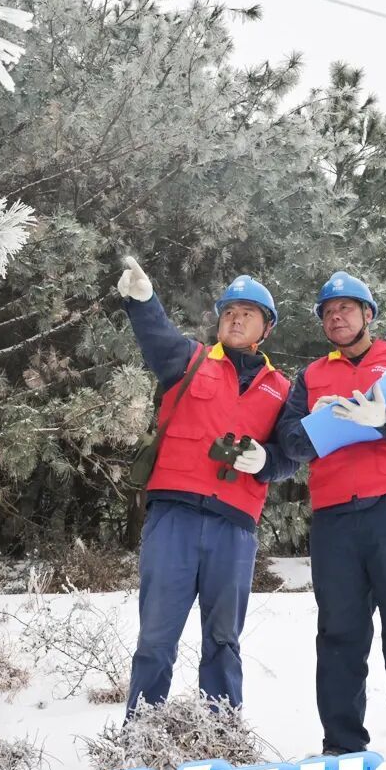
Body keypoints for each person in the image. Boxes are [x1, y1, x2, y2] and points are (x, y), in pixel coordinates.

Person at [272, 270, 386, 758]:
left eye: (346, 308)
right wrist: (317, 421)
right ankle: (342, 747)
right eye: (328, 312)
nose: (336, 317)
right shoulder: (310, 377)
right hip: (334, 519)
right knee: (338, 635)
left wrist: (385, 419)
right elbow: (289, 440)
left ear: (368, 314)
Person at [118, 257, 297, 716]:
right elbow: (157, 337)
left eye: (247, 313)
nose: (235, 319)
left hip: (233, 528)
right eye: (229, 312)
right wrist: (144, 302)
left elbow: (293, 453)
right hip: (172, 518)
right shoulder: (191, 360)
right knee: (156, 635)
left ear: (266, 329)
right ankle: (142, 734)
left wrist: (267, 461)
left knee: (223, 640)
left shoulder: (282, 389)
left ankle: (219, 734)